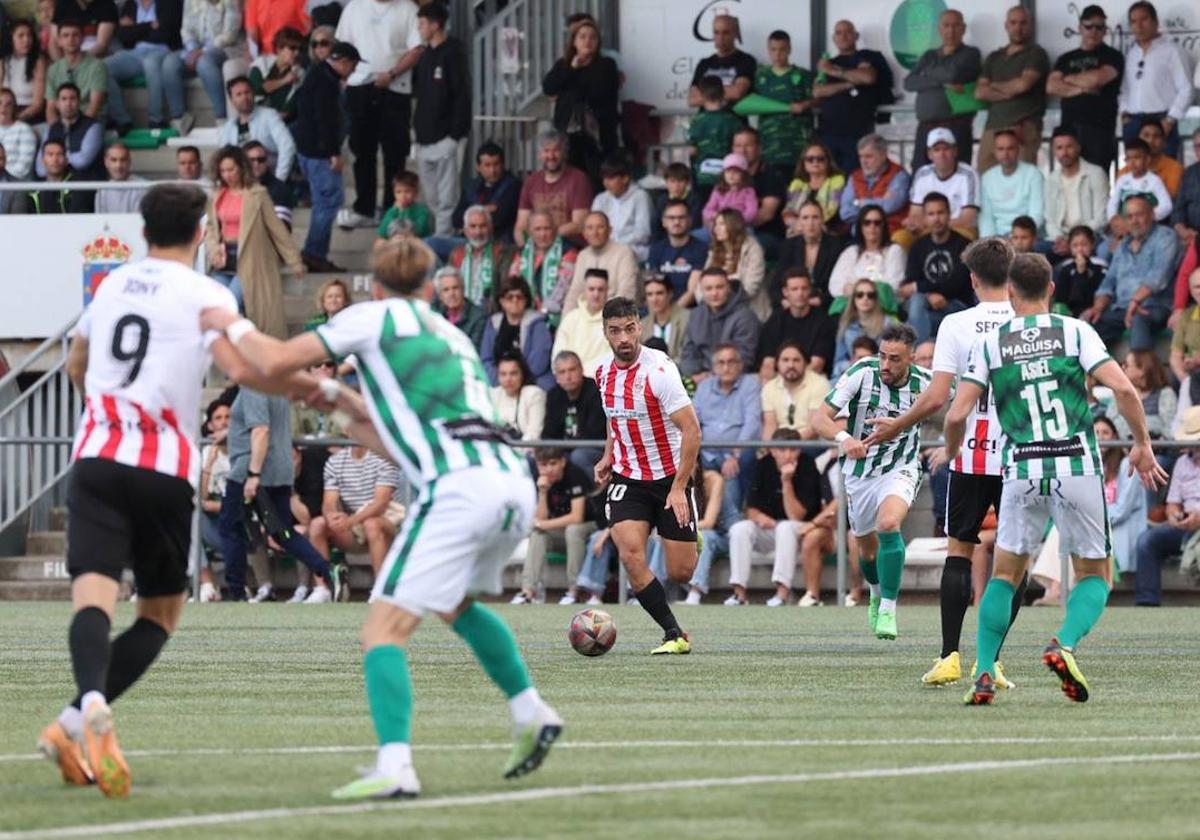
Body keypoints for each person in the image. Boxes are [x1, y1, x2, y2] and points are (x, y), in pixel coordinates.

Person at [203, 231, 561, 800]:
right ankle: (530, 710)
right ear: (428, 284)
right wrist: (339, 403)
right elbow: (400, 435)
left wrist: (225, 322)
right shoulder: (450, 334)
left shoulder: (371, 319)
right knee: (452, 604)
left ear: (372, 284)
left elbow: (267, 362)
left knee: (380, 630)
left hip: (458, 487)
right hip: (508, 480)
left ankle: (396, 766)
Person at [36, 182, 313, 798]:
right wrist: (311, 381)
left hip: (98, 459)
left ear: (143, 231)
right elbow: (244, 368)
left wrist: (103, 412)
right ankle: (78, 720)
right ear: (203, 232)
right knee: (158, 615)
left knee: (92, 602)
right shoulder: (204, 293)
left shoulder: (111, 286)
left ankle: (79, 714)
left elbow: (78, 362)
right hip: (162, 468)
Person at [945, 252, 1167, 705]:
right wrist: (1141, 444)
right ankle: (1061, 643)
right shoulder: (1075, 331)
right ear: (1050, 289)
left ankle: (984, 672)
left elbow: (956, 413)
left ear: (1010, 292)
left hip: (1022, 467)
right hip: (1075, 464)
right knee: (1094, 576)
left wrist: (952, 452)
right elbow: (1123, 389)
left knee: (1005, 577)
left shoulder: (993, 344)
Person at [864, 237, 1021, 688]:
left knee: (960, 552)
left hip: (970, 451)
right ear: (1009, 276)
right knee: (1014, 562)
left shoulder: (956, 324)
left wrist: (896, 425)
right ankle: (991, 660)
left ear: (971, 278)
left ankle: (950, 655)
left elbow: (937, 396)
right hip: (1021, 456)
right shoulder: (1031, 320)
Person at [594, 296, 701, 654]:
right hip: (628, 478)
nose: (623, 337)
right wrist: (608, 454)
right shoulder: (601, 373)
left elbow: (692, 431)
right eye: (614, 331)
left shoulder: (660, 372)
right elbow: (615, 416)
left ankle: (690, 533)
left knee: (682, 572)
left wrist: (680, 488)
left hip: (670, 478)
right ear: (606, 333)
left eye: (629, 329)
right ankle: (673, 633)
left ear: (639, 327)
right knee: (630, 554)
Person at [814, 323, 931, 641]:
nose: (886, 365)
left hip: (901, 466)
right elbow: (819, 417)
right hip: (859, 471)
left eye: (895, 359)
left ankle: (889, 610)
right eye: (882, 356)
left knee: (889, 524)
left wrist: (954, 443)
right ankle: (877, 592)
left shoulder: (927, 383)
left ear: (912, 358)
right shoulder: (861, 372)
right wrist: (844, 438)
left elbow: (962, 404)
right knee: (866, 550)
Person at [333, 0, 422, 231]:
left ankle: (394, 209)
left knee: (395, 152)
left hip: (395, 88)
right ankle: (364, 208)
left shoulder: (408, 9)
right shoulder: (354, 8)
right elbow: (342, 45)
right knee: (362, 150)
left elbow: (417, 49)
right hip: (358, 87)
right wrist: (342, 76)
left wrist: (392, 73)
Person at [204, 145, 303, 338]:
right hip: (224, 259)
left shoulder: (257, 194)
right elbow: (210, 227)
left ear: (241, 167)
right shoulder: (217, 195)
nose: (227, 175)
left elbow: (277, 229)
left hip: (251, 258)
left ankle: (249, 347)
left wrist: (294, 260)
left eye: (231, 169)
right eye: (223, 170)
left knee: (230, 303)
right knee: (218, 305)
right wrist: (213, 248)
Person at [725, 428, 827, 606]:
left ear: (800, 449)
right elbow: (751, 509)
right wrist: (760, 518)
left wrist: (786, 481)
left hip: (801, 530)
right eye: (782, 449)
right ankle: (739, 594)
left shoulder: (807, 465)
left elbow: (796, 516)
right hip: (770, 529)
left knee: (785, 527)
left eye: (793, 449)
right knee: (739, 529)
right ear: (772, 450)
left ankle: (782, 593)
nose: (788, 455)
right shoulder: (764, 464)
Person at [292, 39, 359, 273]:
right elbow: (326, 120)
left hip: (310, 149)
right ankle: (314, 253)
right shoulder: (325, 82)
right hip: (319, 153)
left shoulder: (318, 74)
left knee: (326, 201)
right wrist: (333, 153)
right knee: (328, 201)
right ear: (342, 62)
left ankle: (314, 252)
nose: (353, 71)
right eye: (353, 65)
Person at [1083, 194, 1178, 350]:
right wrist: (1098, 307)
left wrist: (1135, 302)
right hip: (1121, 308)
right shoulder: (1122, 245)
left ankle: (1141, 371)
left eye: (1139, 215)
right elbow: (1109, 281)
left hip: (1154, 306)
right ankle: (1093, 373)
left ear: (1152, 215)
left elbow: (1158, 277)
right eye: (1129, 216)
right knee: (1090, 325)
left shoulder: (1165, 237)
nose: (1134, 220)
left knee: (1139, 319)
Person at [412, 2, 470, 239]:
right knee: (432, 196)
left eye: (423, 24)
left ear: (436, 25)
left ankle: (443, 240)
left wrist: (454, 135)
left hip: (447, 135)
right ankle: (440, 236)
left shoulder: (453, 52)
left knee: (447, 197)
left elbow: (461, 95)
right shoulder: (425, 56)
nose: (420, 29)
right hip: (424, 137)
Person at [1047, 5, 1124, 174]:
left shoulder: (1112, 56)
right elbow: (1052, 86)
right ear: (1080, 28)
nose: (1093, 31)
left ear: (1105, 30)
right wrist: (1081, 89)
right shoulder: (1065, 58)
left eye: (1099, 27)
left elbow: (1096, 79)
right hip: (1069, 129)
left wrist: (1067, 79)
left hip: (1100, 130)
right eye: (1089, 26)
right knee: (1070, 181)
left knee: (1098, 181)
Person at [541, 16, 618, 186]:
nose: (587, 41)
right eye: (582, 37)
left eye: (592, 37)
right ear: (574, 41)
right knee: (570, 182)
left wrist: (568, 84)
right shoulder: (564, 64)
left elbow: (597, 92)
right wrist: (572, 68)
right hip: (568, 135)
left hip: (597, 137)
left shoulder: (606, 65)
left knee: (595, 182)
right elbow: (548, 87)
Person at [510, 448, 593, 605]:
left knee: (573, 530)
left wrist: (543, 524)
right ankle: (528, 592)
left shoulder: (574, 474)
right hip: (561, 531)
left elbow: (577, 517)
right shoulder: (539, 479)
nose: (548, 469)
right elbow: (541, 518)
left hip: (588, 529)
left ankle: (574, 592)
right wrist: (542, 492)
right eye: (543, 465)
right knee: (538, 533)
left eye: (553, 463)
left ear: (562, 462)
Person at [902, 9, 982, 170]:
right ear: (939, 29)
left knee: (956, 174)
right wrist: (942, 83)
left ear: (963, 29)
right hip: (926, 127)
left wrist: (927, 75)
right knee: (920, 173)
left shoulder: (971, 54)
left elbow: (953, 74)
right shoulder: (929, 55)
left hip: (955, 126)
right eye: (946, 25)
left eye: (955, 26)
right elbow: (909, 82)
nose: (951, 30)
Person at [973, 5, 1049, 172]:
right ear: (1006, 25)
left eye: (1023, 23)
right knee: (985, 178)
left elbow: (1023, 85)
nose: (1018, 28)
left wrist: (993, 85)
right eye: (1013, 23)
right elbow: (979, 92)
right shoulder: (994, 57)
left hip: (1022, 127)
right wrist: (1009, 91)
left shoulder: (1036, 54)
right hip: (992, 127)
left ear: (1030, 25)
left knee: (1021, 182)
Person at [308, 445, 401, 578]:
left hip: (387, 523)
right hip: (353, 528)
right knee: (317, 524)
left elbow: (380, 503)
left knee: (372, 524)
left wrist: (350, 521)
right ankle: (324, 588)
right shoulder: (335, 461)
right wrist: (332, 517)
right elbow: (329, 502)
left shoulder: (385, 458)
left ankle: (379, 589)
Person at [693, 343, 761, 528]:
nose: (726, 367)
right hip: (706, 454)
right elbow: (692, 420)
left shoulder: (750, 385)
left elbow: (752, 424)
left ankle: (732, 525)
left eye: (731, 362)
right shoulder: (705, 387)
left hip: (736, 452)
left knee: (732, 468)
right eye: (721, 363)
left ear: (740, 365)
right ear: (714, 367)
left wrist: (735, 455)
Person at [1117, 0, 1191, 160]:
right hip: (1133, 123)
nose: (1139, 26)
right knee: (1135, 177)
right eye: (1134, 21)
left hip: (1161, 122)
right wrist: (1124, 113)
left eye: (1144, 19)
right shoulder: (1131, 53)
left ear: (1156, 22)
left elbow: (1186, 88)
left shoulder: (1172, 51)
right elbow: (1124, 89)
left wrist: (1170, 119)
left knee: (1164, 174)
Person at [812, 20, 886, 174]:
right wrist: (849, 84)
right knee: (829, 181)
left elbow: (868, 78)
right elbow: (818, 91)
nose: (843, 36)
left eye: (848, 32)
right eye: (839, 33)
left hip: (858, 134)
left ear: (856, 36)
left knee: (855, 180)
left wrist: (833, 72)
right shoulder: (828, 62)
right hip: (829, 133)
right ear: (834, 38)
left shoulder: (868, 56)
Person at [1135, 433, 1200, 607]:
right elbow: (1172, 503)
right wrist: (1173, 516)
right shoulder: (1182, 462)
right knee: (1147, 541)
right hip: (1185, 525)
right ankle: (1147, 603)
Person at [103, 0, 186, 134]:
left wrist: (135, 28)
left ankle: (156, 118)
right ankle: (122, 120)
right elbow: (122, 35)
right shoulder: (131, 3)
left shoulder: (170, 2)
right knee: (103, 67)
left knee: (150, 63)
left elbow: (167, 33)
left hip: (164, 50)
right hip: (135, 52)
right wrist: (149, 26)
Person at [900, 192, 974, 342]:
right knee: (918, 303)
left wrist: (919, 288)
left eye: (940, 212)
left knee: (915, 320)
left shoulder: (964, 245)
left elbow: (956, 284)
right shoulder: (918, 247)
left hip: (956, 304)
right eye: (931, 214)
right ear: (925, 218)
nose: (936, 218)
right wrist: (928, 295)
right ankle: (923, 351)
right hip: (924, 305)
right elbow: (911, 280)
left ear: (949, 214)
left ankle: (918, 353)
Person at [513, 128, 592, 247]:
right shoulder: (531, 181)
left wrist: (545, 237)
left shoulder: (578, 179)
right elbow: (521, 225)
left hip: (569, 246)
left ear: (564, 153)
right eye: (546, 151)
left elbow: (579, 224)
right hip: (538, 246)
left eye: (556, 150)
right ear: (539, 155)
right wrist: (525, 248)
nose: (551, 156)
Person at [900, 127, 980, 245]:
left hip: (958, 229)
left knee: (965, 237)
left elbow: (968, 219)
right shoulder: (922, 174)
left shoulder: (968, 174)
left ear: (955, 151)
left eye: (946, 149)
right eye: (936, 150)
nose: (942, 154)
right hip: (928, 228)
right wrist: (913, 223)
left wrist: (932, 225)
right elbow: (915, 213)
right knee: (900, 238)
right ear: (929, 154)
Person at [680, 267, 760, 380]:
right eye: (708, 288)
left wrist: (710, 375)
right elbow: (687, 352)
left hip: (736, 380)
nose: (714, 293)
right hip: (698, 377)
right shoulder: (696, 315)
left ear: (728, 287)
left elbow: (745, 359)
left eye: (719, 287)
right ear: (701, 291)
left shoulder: (745, 316)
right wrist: (694, 375)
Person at [754, 30, 814, 180]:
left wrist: (805, 104)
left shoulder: (803, 75)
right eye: (773, 50)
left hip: (798, 144)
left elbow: (819, 98)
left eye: (782, 49)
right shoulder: (760, 76)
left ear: (789, 49)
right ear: (768, 51)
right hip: (770, 145)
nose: (778, 54)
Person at [1043, 126, 1109, 258]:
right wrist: (1063, 239)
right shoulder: (1051, 179)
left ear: (1078, 147)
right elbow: (1049, 219)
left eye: (1069, 146)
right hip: (1061, 238)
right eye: (1059, 148)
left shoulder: (1096, 174)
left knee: (1103, 252)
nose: (1064, 152)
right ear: (1054, 151)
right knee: (1036, 254)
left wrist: (1074, 241)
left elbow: (1101, 218)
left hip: (1091, 237)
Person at [757, 269, 835, 378]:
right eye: (794, 289)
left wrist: (791, 383)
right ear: (785, 292)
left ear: (810, 290)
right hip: (778, 381)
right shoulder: (775, 320)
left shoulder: (824, 322)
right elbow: (768, 363)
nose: (800, 293)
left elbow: (817, 365)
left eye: (804, 288)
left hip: (811, 380)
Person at [216, 76, 296, 183]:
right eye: (239, 94)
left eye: (247, 92)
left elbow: (287, 146)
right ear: (231, 100)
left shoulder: (269, 115)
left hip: (269, 179)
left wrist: (279, 179)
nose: (244, 97)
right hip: (241, 184)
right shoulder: (228, 128)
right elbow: (223, 158)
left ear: (253, 94)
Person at [481, 275, 553, 390]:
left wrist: (515, 381)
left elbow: (539, 362)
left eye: (519, 297)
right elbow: (486, 359)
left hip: (531, 381)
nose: (515, 301)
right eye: (510, 297)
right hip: (500, 382)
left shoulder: (537, 323)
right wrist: (501, 381)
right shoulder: (494, 322)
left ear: (526, 300)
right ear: (502, 301)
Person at [176, 0, 243, 123]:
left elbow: (230, 35)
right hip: (194, 48)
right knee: (170, 64)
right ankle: (179, 119)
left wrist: (202, 51)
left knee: (204, 63)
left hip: (225, 48)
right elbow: (186, 29)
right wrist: (193, 49)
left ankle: (221, 117)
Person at [542, 350, 606, 474]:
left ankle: (593, 493)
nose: (568, 376)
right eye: (562, 372)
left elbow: (593, 434)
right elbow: (549, 433)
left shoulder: (596, 391)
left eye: (572, 370)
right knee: (540, 459)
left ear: (581, 370)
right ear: (556, 377)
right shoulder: (553, 395)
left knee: (578, 457)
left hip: (596, 449)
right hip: (564, 451)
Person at [774, 199, 846, 309]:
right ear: (799, 222)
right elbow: (777, 282)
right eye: (805, 218)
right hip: (793, 305)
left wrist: (820, 300)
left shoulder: (836, 246)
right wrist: (784, 301)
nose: (810, 223)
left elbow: (839, 282)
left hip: (824, 305)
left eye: (815, 217)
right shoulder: (788, 246)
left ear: (822, 220)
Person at [561, 211, 638, 313]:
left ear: (610, 230)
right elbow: (575, 292)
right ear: (584, 233)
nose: (595, 233)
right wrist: (566, 322)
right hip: (586, 316)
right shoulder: (583, 255)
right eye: (590, 228)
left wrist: (603, 319)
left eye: (600, 227)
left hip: (615, 316)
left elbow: (626, 292)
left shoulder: (624, 252)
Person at [729, 128, 788, 257]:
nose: (742, 151)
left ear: (759, 149)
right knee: (697, 239)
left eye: (748, 146)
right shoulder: (727, 175)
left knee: (740, 246)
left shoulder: (771, 175)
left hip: (766, 235)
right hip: (728, 231)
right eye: (738, 146)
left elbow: (767, 214)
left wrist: (733, 228)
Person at [838, 133, 910, 237]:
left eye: (868, 156)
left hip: (890, 236)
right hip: (860, 238)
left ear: (883, 155)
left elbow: (889, 206)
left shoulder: (899, 175)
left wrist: (858, 203)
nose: (863, 161)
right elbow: (845, 213)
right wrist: (880, 203)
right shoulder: (854, 177)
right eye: (860, 156)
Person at [828, 204, 905, 300]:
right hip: (851, 306)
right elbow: (835, 284)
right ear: (860, 226)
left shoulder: (894, 250)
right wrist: (848, 289)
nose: (872, 226)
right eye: (867, 223)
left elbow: (894, 286)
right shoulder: (851, 252)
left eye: (877, 223)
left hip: (882, 308)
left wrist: (859, 290)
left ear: (883, 226)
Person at [451, 141, 520, 246]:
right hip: (468, 241)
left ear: (503, 165)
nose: (492, 170)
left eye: (496, 164)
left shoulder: (513, 186)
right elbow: (456, 219)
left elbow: (499, 219)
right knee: (434, 243)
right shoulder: (471, 186)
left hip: (499, 242)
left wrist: (472, 212)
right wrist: (484, 209)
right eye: (487, 165)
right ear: (478, 167)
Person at [508, 209, 577, 313]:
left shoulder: (567, 252)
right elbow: (513, 282)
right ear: (529, 231)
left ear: (554, 229)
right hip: (524, 312)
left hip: (556, 314)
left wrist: (542, 312)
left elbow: (563, 287)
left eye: (547, 228)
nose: (543, 234)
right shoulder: (522, 253)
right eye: (538, 229)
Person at [978, 129, 1044, 238]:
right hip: (997, 239)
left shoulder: (1033, 174)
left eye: (1010, 148)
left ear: (1018, 149)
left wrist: (1016, 238)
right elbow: (986, 218)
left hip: (1026, 238)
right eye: (1001, 149)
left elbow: (1036, 214)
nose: (1005, 153)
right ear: (994, 151)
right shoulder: (987, 178)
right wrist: (990, 242)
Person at [760, 340, 830, 441]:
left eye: (796, 360)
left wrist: (789, 446)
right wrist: (770, 448)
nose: (790, 365)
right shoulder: (769, 388)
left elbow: (813, 429)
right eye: (785, 360)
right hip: (778, 445)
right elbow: (769, 426)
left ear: (806, 363)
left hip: (809, 444)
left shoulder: (820, 384)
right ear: (777, 364)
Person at [706, 207, 768, 320]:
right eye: (716, 224)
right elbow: (703, 282)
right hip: (718, 311)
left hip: (749, 312)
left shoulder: (753, 248)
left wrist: (718, 294)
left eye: (722, 224)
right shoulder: (714, 250)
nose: (716, 229)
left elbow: (750, 288)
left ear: (733, 226)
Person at [591, 153, 652, 262]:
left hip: (634, 250)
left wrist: (616, 245)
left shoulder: (640, 196)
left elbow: (643, 234)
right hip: (604, 248)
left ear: (625, 178)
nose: (606, 183)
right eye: (604, 178)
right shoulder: (600, 199)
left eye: (611, 178)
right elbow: (592, 227)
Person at [833, 277, 898, 378]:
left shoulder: (888, 324)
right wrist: (851, 364)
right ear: (853, 299)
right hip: (853, 375)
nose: (865, 298)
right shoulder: (846, 326)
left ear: (876, 299)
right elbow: (837, 364)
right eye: (859, 295)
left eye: (870, 295)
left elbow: (897, 359)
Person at [648, 198, 708, 306]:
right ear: (664, 222)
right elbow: (654, 286)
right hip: (662, 307)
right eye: (671, 218)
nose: (676, 222)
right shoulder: (656, 249)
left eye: (681, 217)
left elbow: (692, 291)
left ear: (690, 221)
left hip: (690, 309)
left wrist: (672, 314)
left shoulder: (701, 249)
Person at [686, 13, 754, 108]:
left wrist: (706, 93)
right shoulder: (704, 63)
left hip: (732, 120)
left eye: (725, 33)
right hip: (706, 120)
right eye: (716, 32)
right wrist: (725, 92)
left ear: (735, 34)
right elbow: (692, 100)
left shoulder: (746, 60)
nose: (720, 38)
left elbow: (737, 92)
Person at [44, 21, 107, 123]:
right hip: (63, 123)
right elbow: (50, 108)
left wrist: (77, 130)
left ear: (82, 39)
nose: (71, 39)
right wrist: (55, 129)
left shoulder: (97, 66)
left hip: (90, 122)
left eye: (75, 35)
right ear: (59, 41)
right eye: (66, 35)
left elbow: (94, 105)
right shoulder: (53, 69)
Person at [552, 268, 610, 375]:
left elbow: (611, 361)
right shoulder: (571, 319)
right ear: (584, 290)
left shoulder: (614, 323)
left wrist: (581, 375)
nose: (596, 294)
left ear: (607, 291)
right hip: (568, 381)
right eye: (591, 289)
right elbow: (558, 355)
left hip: (598, 384)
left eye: (600, 289)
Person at [1105, 138, 1172, 232]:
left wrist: (1148, 218)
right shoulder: (1122, 180)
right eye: (1128, 158)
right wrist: (1113, 219)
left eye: (1136, 158)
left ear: (1147, 159)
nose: (1132, 162)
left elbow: (1167, 206)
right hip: (1125, 226)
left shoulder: (1154, 180)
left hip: (1148, 227)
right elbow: (1113, 203)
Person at [41, 82, 104, 181]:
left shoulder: (93, 127)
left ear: (79, 102)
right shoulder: (51, 128)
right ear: (57, 104)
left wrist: (54, 159)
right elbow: (40, 168)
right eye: (64, 99)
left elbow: (83, 161)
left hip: (85, 184)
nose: (68, 103)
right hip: (57, 183)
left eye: (72, 99)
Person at [1110, 350, 1176, 440]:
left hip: (1156, 451)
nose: (1122, 368)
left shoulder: (1165, 394)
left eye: (1126, 365)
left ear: (1142, 370)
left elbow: (1170, 427)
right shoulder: (1120, 394)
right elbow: (1109, 422)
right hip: (1121, 451)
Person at [689, 77, 736, 194]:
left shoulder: (697, 121)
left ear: (701, 95)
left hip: (703, 175)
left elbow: (692, 150)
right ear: (723, 93)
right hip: (728, 175)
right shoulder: (732, 120)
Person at [19, 138, 93, 213]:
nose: (55, 160)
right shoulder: (34, 191)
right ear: (42, 160)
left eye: (59, 154)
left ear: (66, 159)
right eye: (50, 155)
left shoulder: (78, 186)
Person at [247, 26, 304, 122]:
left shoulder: (300, 72)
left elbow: (289, 107)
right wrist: (284, 81)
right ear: (279, 49)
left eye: (300, 49)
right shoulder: (261, 63)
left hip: (280, 122)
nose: (297, 53)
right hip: (254, 116)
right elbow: (256, 89)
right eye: (292, 48)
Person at [783, 142, 842, 229]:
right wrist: (798, 225)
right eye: (810, 159)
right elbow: (788, 212)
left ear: (828, 161)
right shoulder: (797, 185)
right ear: (804, 163)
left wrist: (811, 226)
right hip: (798, 230)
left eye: (820, 159)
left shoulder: (838, 182)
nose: (815, 162)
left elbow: (832, 212)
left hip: (828, 230)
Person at [0, 19, 48, 123]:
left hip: (30, 115)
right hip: (5, 112)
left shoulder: (38, 61)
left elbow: (37, 104)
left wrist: (16, 119)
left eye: (29, 35)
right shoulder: (3, 60)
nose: (26, 39)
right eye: (20, 35)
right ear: (11, 38)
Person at [1053, 225, 1106, 318]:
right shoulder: (1066, 268)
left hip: (1092, 311)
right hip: (1069, 313)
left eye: (1084, 245)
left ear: (1092, 245)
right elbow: (1061, 297)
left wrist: (1081, 273)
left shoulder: (1099, 266)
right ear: (1070, 247)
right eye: (1075, 245)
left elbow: (1098, 292)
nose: (1080, 249)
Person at [431, 265, 486, 351]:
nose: (452, 294)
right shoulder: (435, 314)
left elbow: (473, 351)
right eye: (446, 290)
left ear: (463, 290)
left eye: (455, 288)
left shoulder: (478, 317)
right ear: (440, 296)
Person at [245, 139, 295, 229]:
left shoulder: (280, 190)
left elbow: (282, 228)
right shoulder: (237, 187)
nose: (256, 163)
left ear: (267, 161)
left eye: (261, 160)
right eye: (251, 160)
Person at [702, 152, 758, 230]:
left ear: (744, 174)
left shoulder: (748, 191)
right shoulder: (718, 190)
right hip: (720, 225)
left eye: (736, 172)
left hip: (741, 227)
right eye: (728, 171)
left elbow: (751, 212)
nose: (731, 175)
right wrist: (718, 216)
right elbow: (707, 210)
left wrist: (735, 221)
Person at [641, 275, 690, 362]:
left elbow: (688, 354)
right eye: (650, 294)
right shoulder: (643, 325)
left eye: (659, 293)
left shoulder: (687, 318)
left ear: (670, 294)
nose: (654, 299)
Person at [1131, 120, 1184, 198]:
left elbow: (1171, 199)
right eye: (1146, 135)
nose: (1150, 141)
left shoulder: (1175, 169)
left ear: (1164, 142)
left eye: (1156, 136)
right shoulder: (1125, 171)